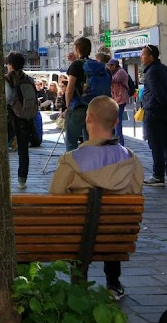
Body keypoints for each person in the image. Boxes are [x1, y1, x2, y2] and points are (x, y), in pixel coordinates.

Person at [50, 95, 143, 300]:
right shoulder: (132, 160)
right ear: (117, 122)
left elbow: (55, 198)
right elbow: (136, 192)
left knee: (79, 222)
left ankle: (78, 281)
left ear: (88, 119)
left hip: (77, 238)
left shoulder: (70, 162)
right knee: (113, 219)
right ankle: (113, 282)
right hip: (116, 238)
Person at [140, 44, 167, 186]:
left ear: (151, 57)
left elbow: (157, 93)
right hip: (166, 112)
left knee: (156, 145)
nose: (141, 57)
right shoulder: (165, 70)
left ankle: (158, 175)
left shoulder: (152, 72)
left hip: (155, 111)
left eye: (143, 55)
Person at [5, 51, 36, 189]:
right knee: (23, 151)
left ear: (10, 65)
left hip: (10, 118)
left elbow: (7, 99)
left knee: (0, 146)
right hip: (26, 118)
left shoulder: (7, 79)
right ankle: (22, 180)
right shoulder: (29, 79)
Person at [63, 36, 93, 151]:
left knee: (71, 141)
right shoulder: (93, 64)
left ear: (77, 49)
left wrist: (68, 106)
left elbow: (70, 88)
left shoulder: (76, 65)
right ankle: (90, 166)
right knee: (90, 141)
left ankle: (73, 167)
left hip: (77, 106)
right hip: (92, 106)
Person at [107, 59, 129, 143]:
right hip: (117, 99)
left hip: (120, 99)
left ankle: (119, 143)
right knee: (116, 122)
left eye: (110, 66)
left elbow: (112, 80)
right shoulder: (117, 72)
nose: (109, 67)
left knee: (117, 123)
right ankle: (118, 142)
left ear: (114, 65)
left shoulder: (120, 72)